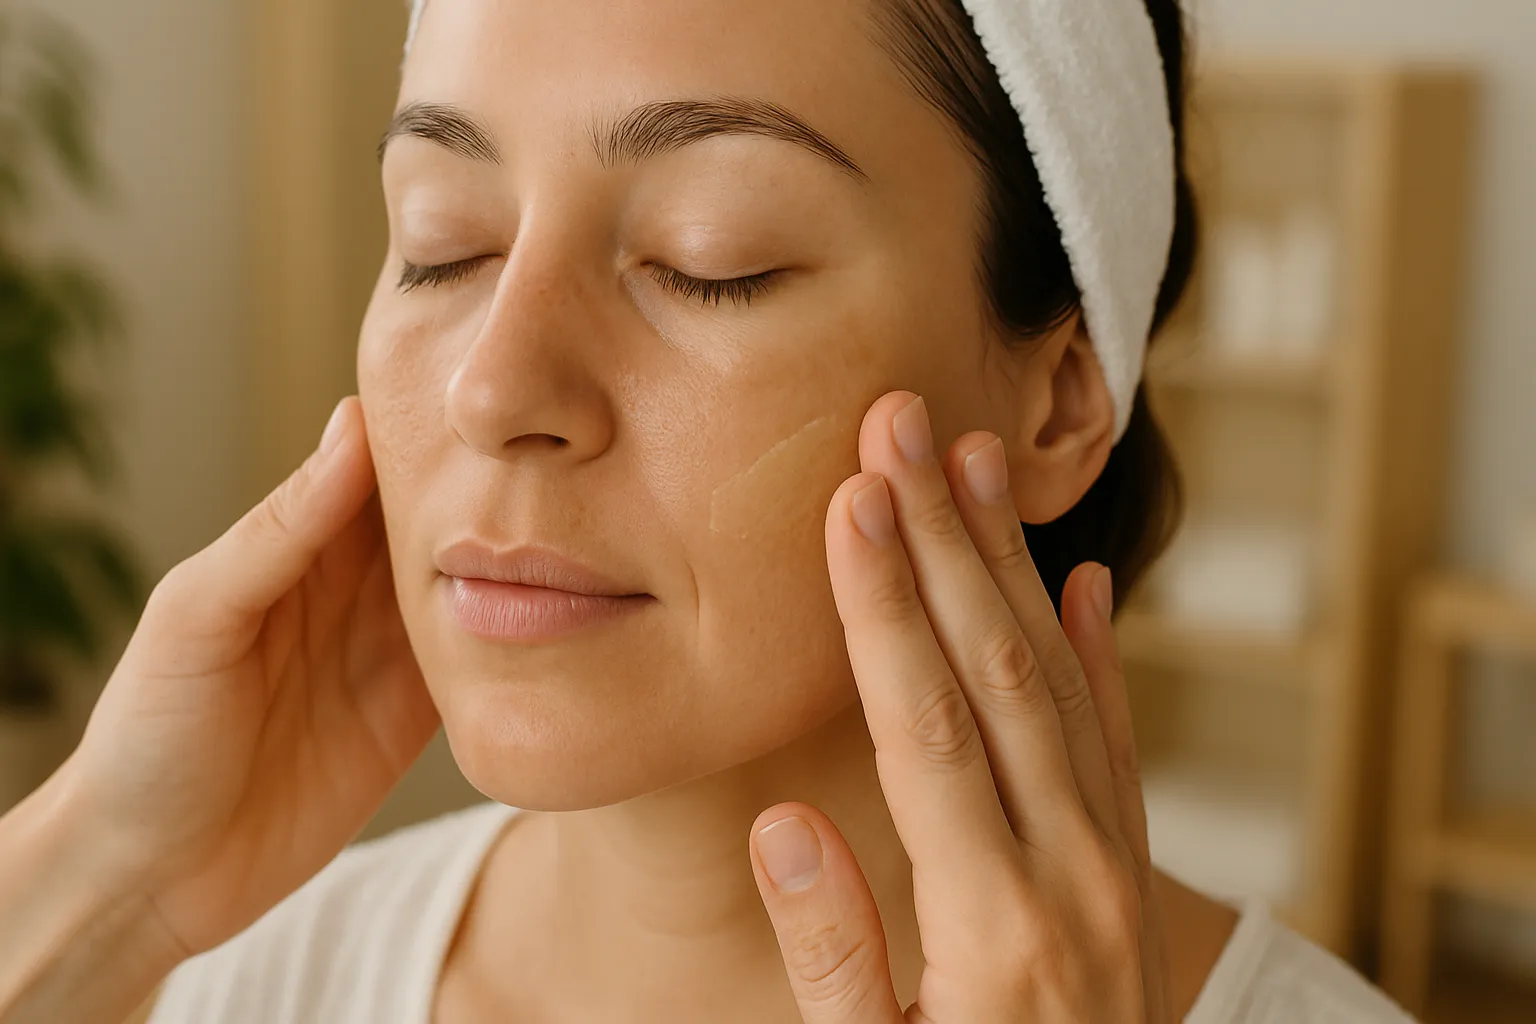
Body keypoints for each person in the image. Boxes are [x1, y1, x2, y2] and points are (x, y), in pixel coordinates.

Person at [0, 1, 1418, 1021]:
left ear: (1056, 399)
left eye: (709, 259)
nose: (497, 383)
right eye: (445, 242)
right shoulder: (230, 977)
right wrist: (105, 895)